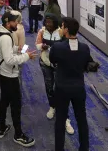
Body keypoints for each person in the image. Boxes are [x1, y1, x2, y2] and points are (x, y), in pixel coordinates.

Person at [49, 17, 90, 151]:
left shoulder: (57, 47)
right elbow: (85, 65)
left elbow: (52, 61)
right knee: (82, 120)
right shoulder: (85, 48)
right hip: (79, 88)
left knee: (60, 120)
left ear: (66, 30)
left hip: (62, 88)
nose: (60, 29)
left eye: (62, 27)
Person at [0, 11, 36, 147]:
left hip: (4, 74)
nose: (17, 24)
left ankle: (1, 128)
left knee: (4, 101)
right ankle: (18, 135)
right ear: (8, 23)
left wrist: (15, 48)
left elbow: (6, 51)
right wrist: (26, 57)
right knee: (16, 105)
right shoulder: (6, 37)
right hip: (9, 76)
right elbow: (9, 60)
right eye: (15, 22)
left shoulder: (3, 34)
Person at [35, 14, 74, 135]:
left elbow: (69, 46)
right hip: (45, 63)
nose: (47, 24)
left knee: (61, 89)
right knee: (49, 86)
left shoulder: (61, 32)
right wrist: (42, 46)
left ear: (55, 23)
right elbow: (37, 45)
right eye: (46, 22)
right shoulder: (42, 31)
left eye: (50, 22)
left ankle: (65, 117)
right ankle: (52, 106)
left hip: (59, 65)